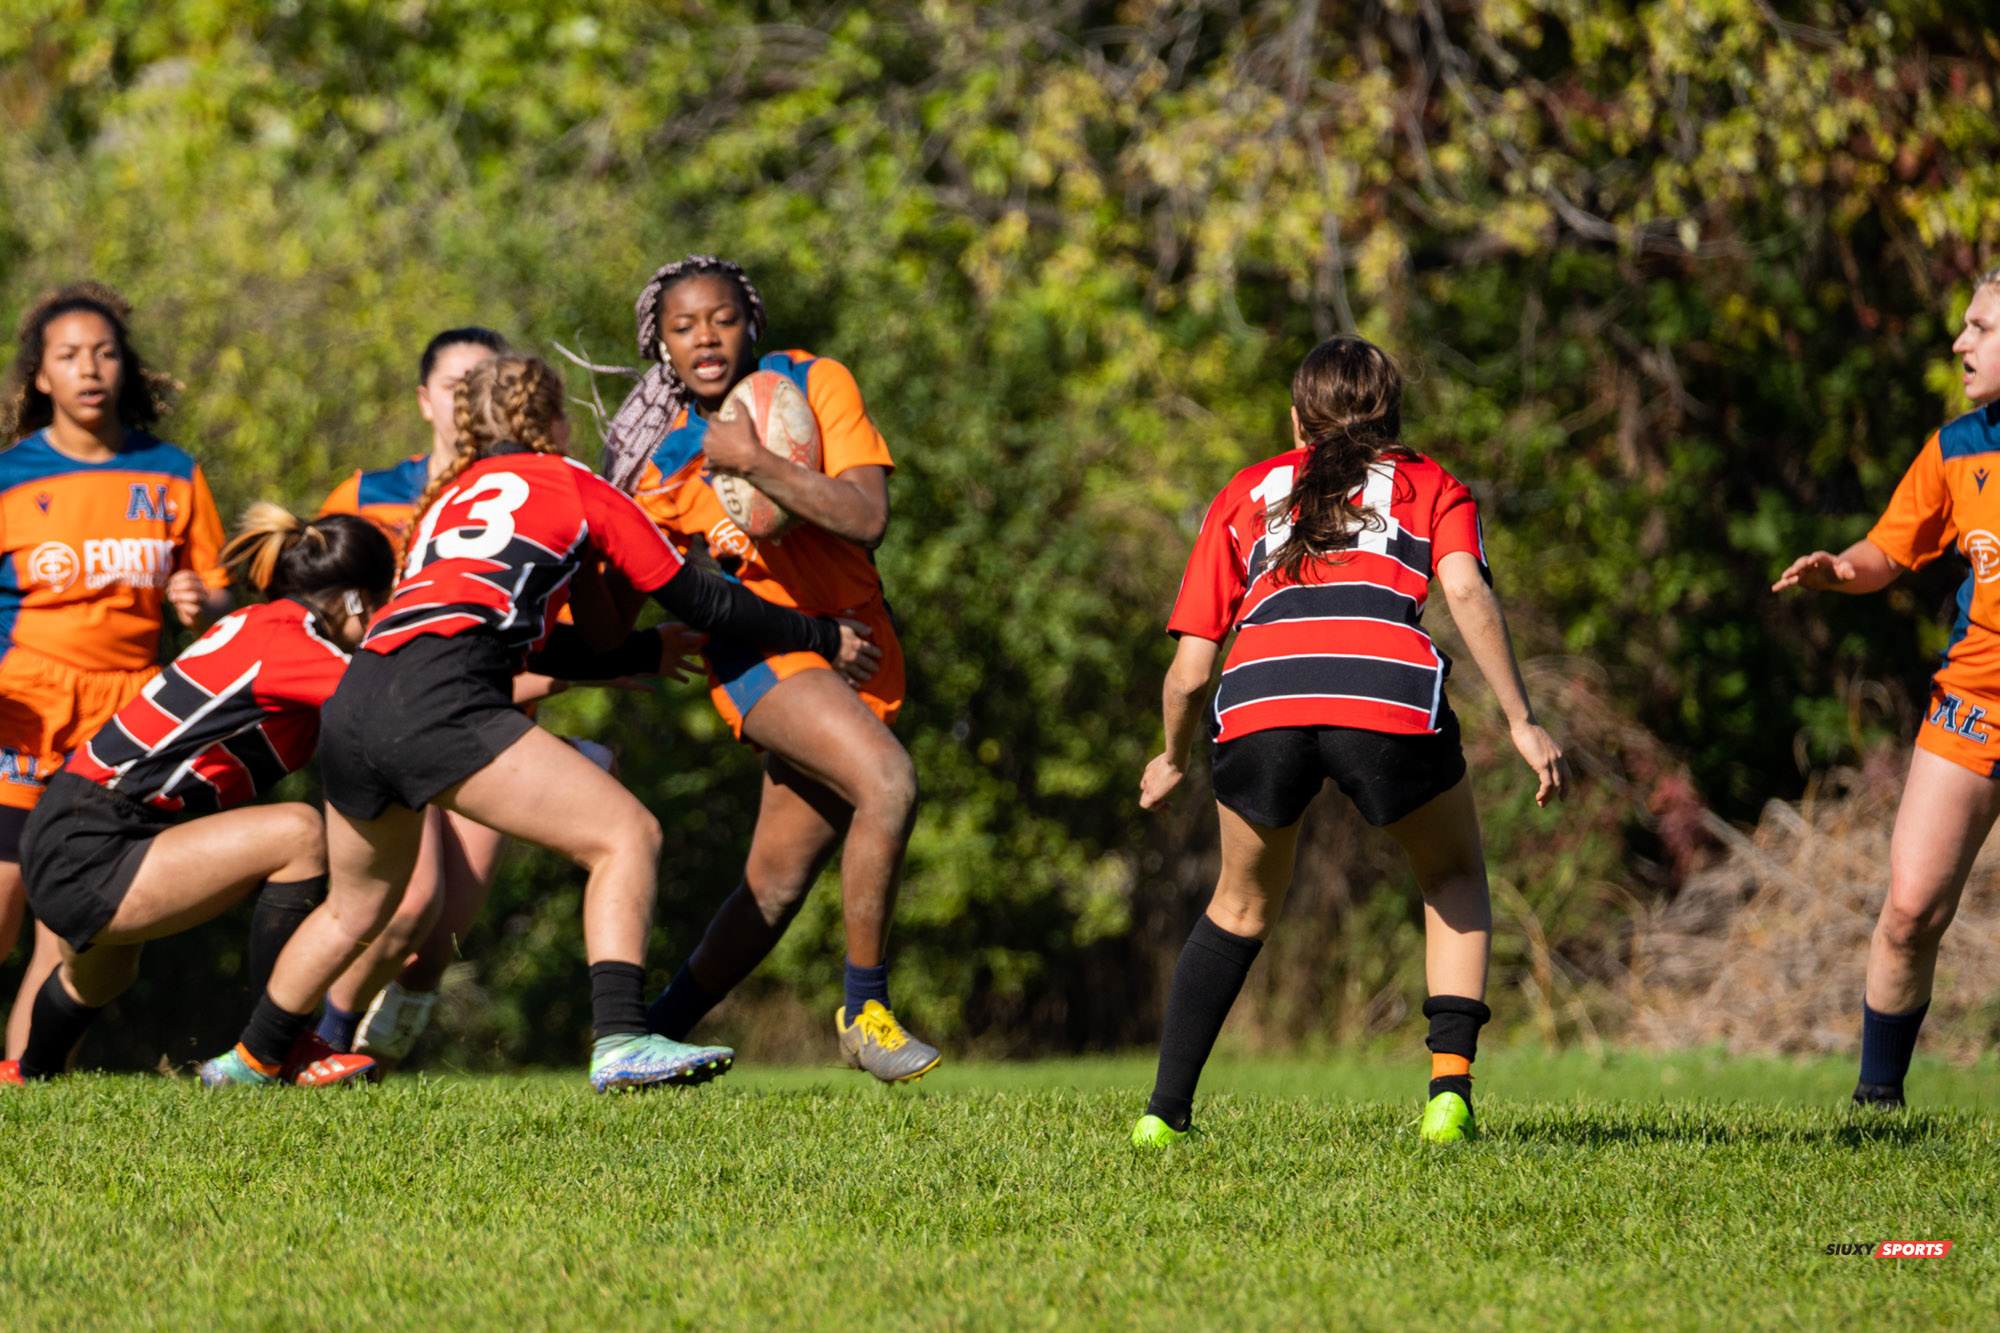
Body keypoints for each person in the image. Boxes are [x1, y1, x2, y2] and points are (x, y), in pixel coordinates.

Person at [200, 353, 879, 1093]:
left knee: (356, 904)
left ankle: (247, 1061)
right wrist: (817, 637)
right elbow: (702, 600)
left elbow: (480, 625)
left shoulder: (444, 502)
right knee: (626, 835)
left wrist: (641, 650)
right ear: (552, 422)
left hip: (359, 698)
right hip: (441, 698)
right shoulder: (574, 484)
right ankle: (622, 1037)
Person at [1131, 336, 1568, 1148]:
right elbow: (1465, 586)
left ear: (1299, 420)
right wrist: (1520, 718)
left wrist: (1174, 757)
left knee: (1238, 906)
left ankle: (1162, 1113)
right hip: (1386, 691)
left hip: (1259, 696)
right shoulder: (1431, 483)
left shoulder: (1243, 492)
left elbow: (1190, 671)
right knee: (1453, 874)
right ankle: (1447, 1096)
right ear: (1393, 416)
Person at [600, 255, 936, 1084]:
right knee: (888, 783)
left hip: (862, 645)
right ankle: (866, 1011)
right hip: (765, 659)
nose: (704, 337)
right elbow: (624, 589)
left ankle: (652, 1035)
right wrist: (607, 653)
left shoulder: (812, 382)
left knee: (774, 888)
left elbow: (865, 517)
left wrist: (752, 459)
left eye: (719, 318)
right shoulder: (660, 465)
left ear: (750, 321)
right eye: (683, 327)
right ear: (662, 347)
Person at [0, 506, 393, 1085]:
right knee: (300, 834)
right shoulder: (294, 643)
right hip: (94, 833)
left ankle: (26, 1077)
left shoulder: (268, 623)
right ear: (360, 600)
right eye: (387, 600)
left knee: (99, 976)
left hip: (75, 821)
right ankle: (273, 1052)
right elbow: (388, 707)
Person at [1773, 266, 2000, 1109]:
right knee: (1908, 912)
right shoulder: (1959, 448)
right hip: (1974, 706)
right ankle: (1877, 1108)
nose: (1959, 342)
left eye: (1980, 327)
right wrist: (1842, 569)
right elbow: (1887, 552)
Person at [0, 283, 231, 1059]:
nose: (88, 368)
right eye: (68, 356)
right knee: (2, 906)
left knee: (72, 923)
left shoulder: (169, 473)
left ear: (124, 369)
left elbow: (220, 591)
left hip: (130, 718)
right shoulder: (11, 476)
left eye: (103, 353)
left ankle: (26, 1086)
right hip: (26, 703)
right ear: (41, 376)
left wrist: (203, 598)